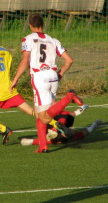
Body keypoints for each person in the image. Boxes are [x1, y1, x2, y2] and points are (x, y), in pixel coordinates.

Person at [10, 13, 87, 153]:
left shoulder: (28, 39)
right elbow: (69, 60)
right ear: (42, 24)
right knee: (40, 115)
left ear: (30, 25)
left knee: (44, 117)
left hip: (39, 77)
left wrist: (15, 78)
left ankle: (69, 97)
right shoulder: (53, 40)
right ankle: (43, 146)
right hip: (53, 76)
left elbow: (25, 60)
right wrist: (61, 73)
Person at [20, 111, 102, 146]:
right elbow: (87, 131)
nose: (72, 131)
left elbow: (37, 141)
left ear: (64, 135)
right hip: (53, 125)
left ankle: (53, 130)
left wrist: (27, 141)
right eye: (71, 131)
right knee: (64, 118)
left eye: (70, 132)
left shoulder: (52, 140)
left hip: (47, 126)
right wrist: (95, 124)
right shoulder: (69, 135)